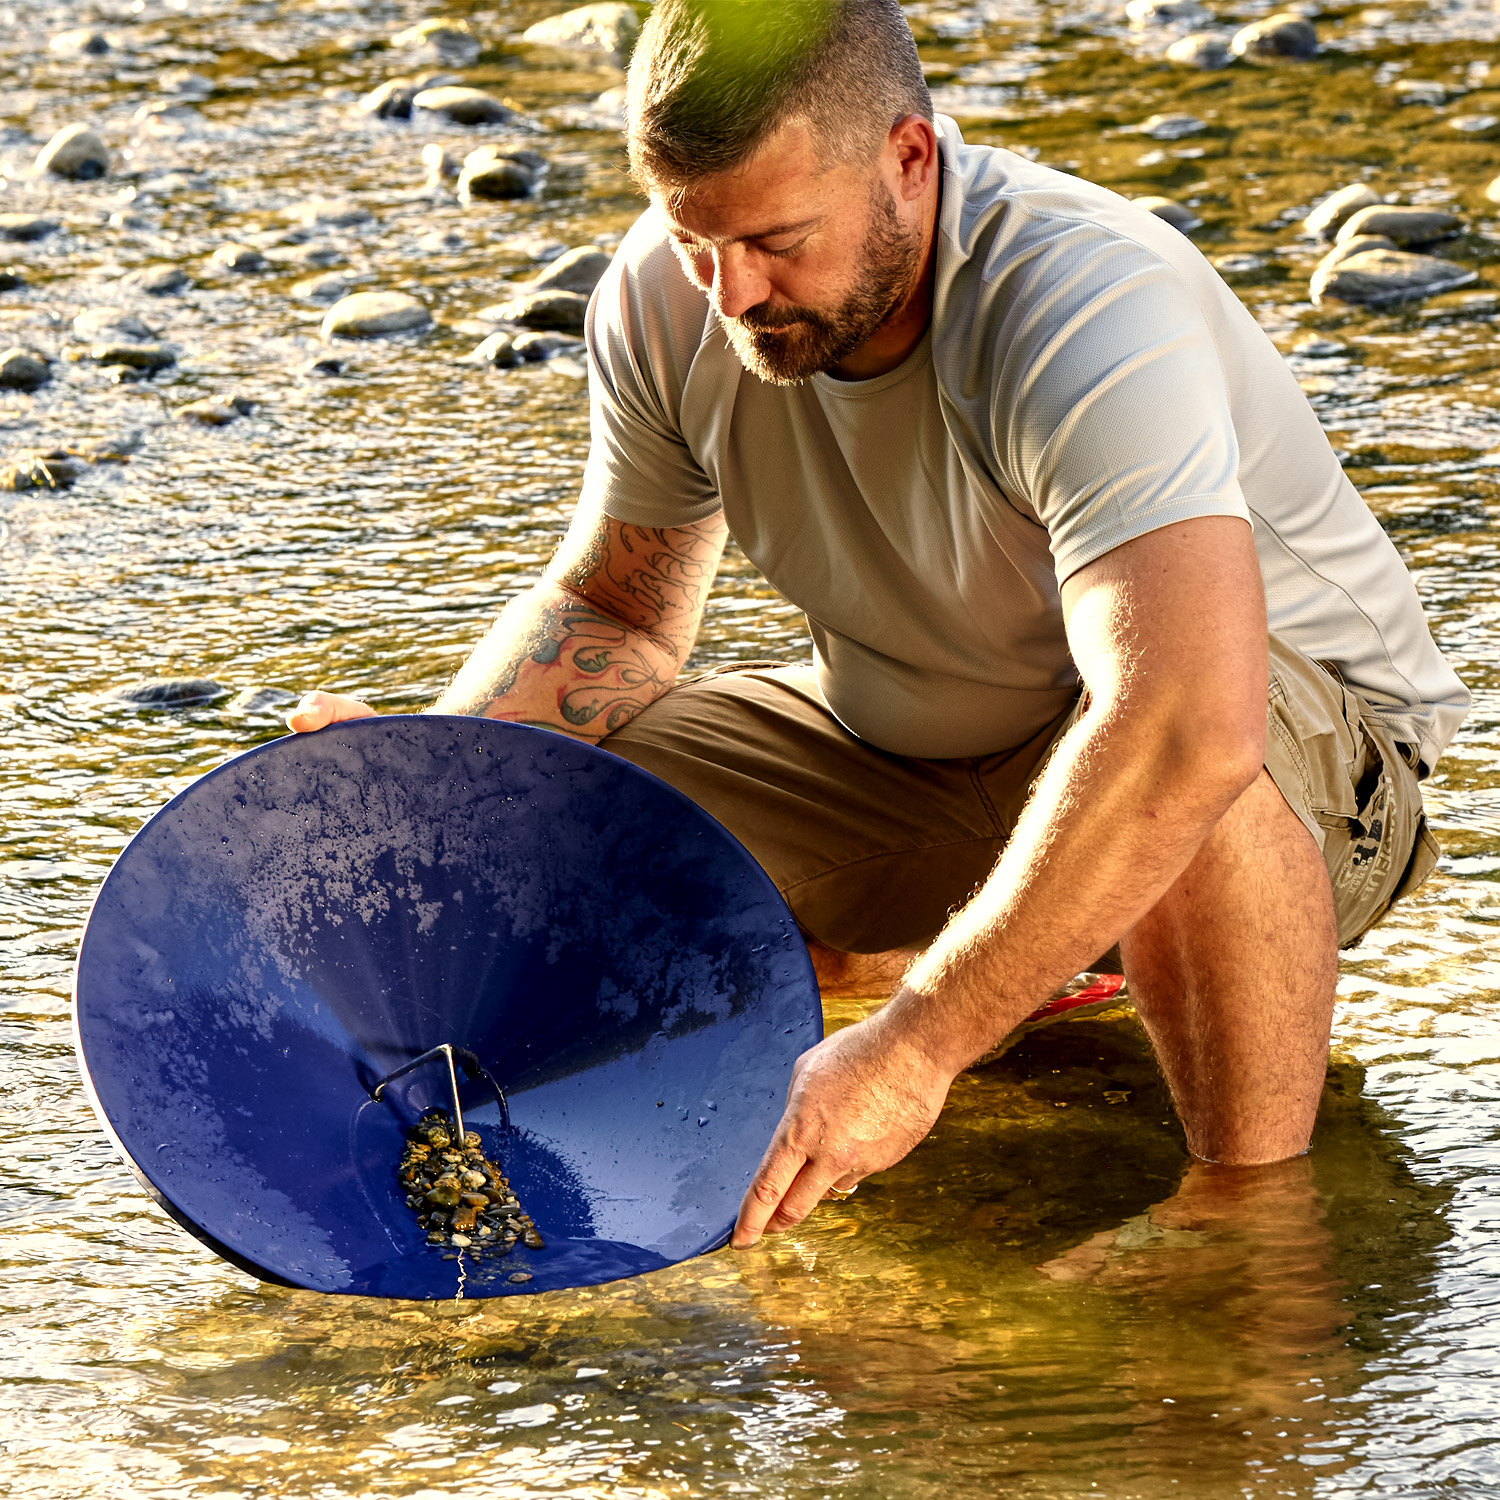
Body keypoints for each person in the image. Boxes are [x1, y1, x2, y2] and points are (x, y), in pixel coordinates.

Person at [289, 0, 1469, 1251]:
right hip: (914, 758)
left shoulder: (1079, 303)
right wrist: (431, 789)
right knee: (551, 813)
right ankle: (984, 961)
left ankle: (1252, 1229)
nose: (732, 291)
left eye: (776, 240)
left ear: (910, 158)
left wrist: (916, 1050)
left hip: (1291, 783)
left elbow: (1184, 729)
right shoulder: (670, 292)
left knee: (1185, 749)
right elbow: (614, 609)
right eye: (695, 238)